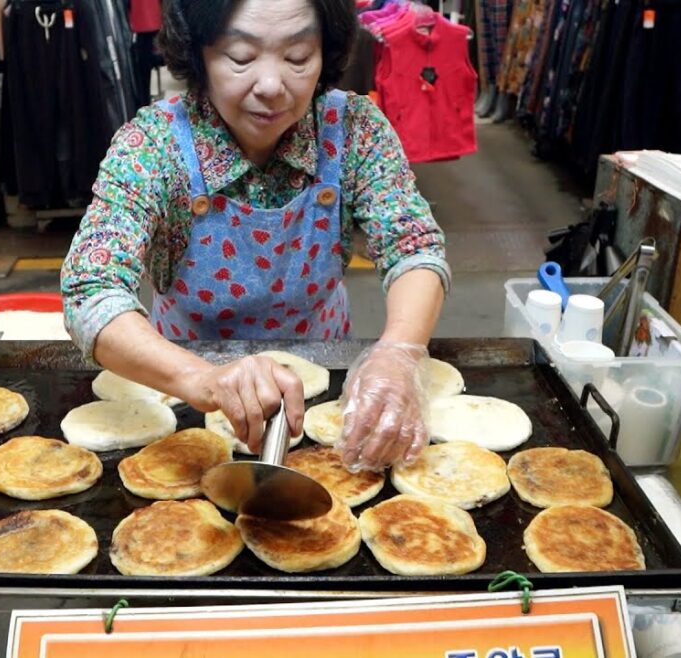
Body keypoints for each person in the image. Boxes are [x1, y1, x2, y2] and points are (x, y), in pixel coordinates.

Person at [61, 0, 449, 471]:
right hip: (183, 392)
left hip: (325, 387)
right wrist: (204, 380)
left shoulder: (355, 129)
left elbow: (414, 247)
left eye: (299, 56)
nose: (271, 86)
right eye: (241, 58)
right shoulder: (152, 145)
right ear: (198, 53)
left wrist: (400, 351)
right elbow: (90, 290)